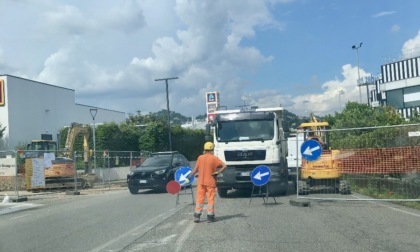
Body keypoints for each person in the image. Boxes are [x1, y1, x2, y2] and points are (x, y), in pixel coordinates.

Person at [187, 142, 227, 223]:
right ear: (212, 149)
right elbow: (224, 166)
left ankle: (197, 216)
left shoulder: (200, 157)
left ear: (205, 149)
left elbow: (195, 169)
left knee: (200, 199)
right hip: (210, 182)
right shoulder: (214, 158)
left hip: (201, 182)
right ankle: (210, 217)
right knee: (210, 199)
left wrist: (189, 178)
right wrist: (217, 172)